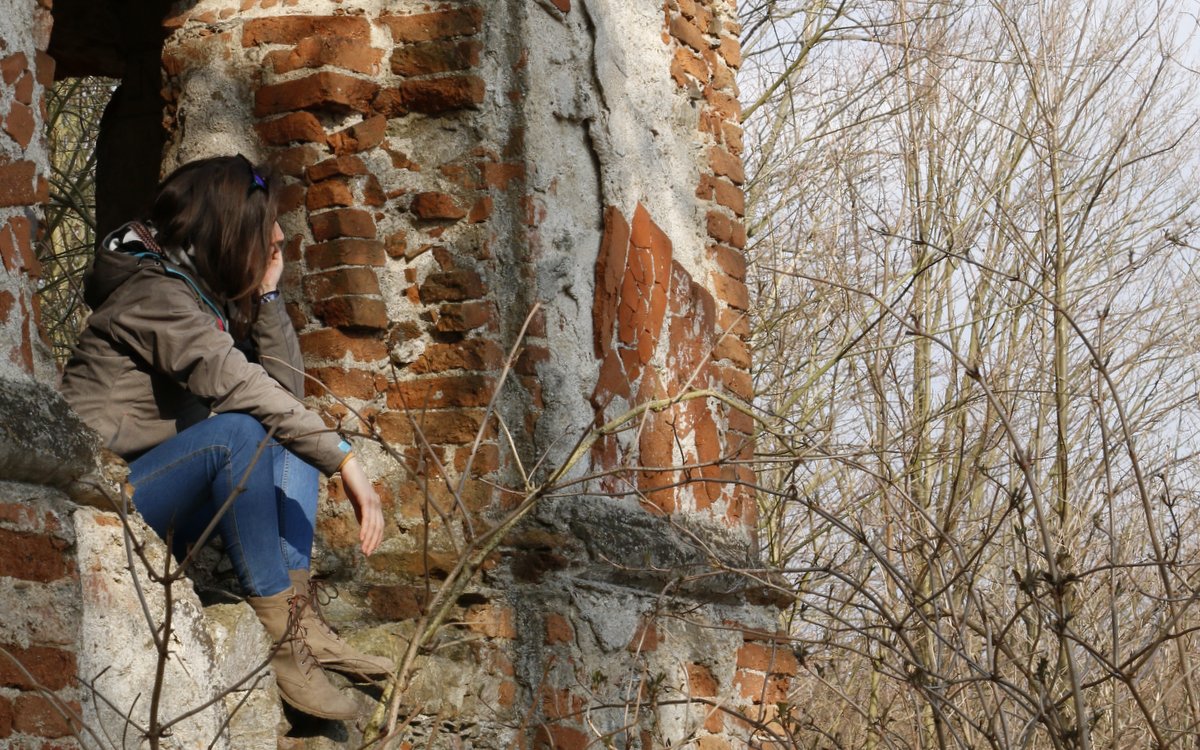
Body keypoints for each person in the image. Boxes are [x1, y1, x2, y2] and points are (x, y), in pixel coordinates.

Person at [61, 154, 393, 720]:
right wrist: (347, 461)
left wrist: (267, 295)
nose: (279, 238)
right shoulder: (153, 296)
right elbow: (242, 387)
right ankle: (288, 647)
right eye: (266, 228)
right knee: (240, 432)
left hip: (159, 499)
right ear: (229, 228)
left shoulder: (193, 293)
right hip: (105, 505)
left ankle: (301, 622)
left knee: (279, 429)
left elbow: (286, 394)